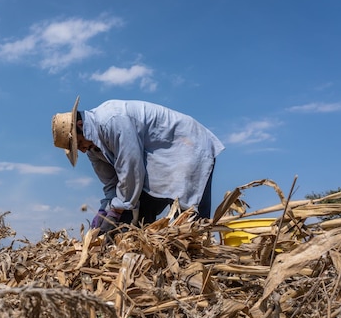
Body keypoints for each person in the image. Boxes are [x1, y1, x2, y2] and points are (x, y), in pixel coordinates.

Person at [52, 96, 225, 234]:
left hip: (186, 146)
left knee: (190, 223)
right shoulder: (92, 149)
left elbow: (131, 168)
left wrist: (117, 210)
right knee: (136, 217)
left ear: (82, 126)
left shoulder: (112, 120)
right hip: (155, 164)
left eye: (78, 143)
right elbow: (112, 184)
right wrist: (104, 211)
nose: (81, 151)